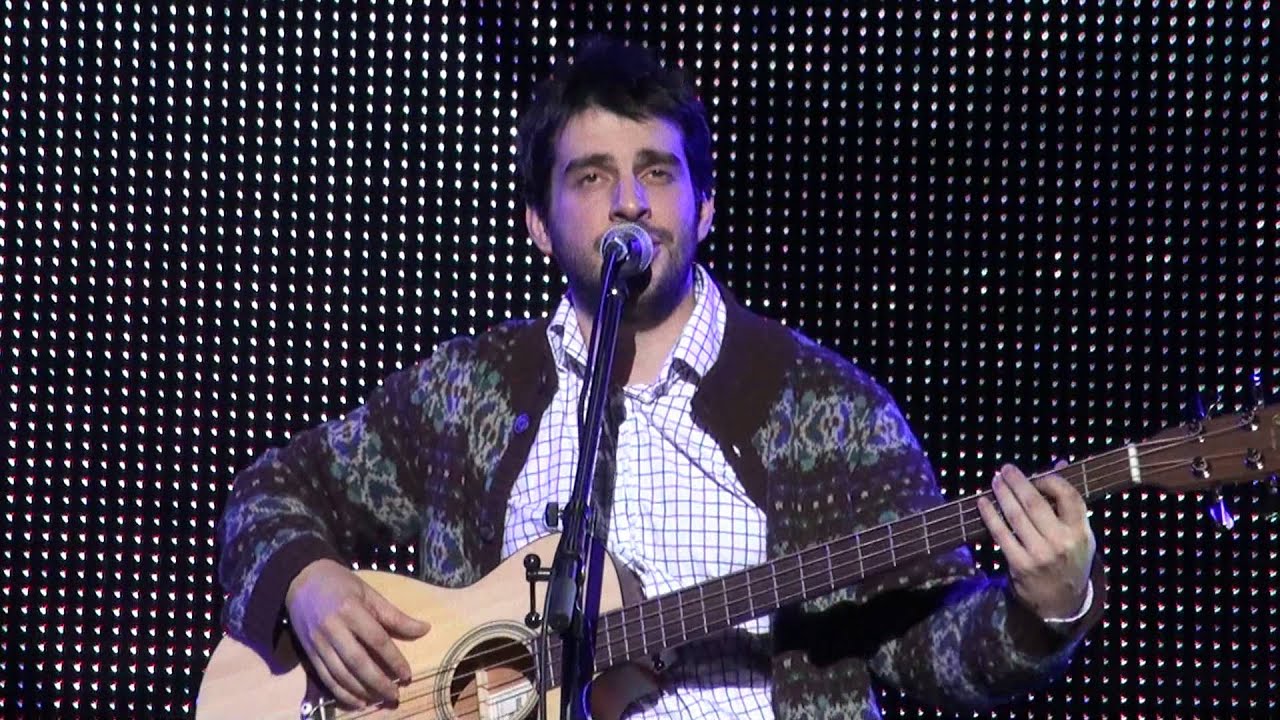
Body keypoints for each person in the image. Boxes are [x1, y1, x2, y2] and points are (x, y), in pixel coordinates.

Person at [216, 36, 1104, 719]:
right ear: (538, 223)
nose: (630, 202)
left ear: (704, 207)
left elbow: (931, 648)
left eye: (656, 172)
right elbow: (271, 492)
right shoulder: (470, 392)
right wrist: (307, 583)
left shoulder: (828, 409)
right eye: (592, 176)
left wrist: (1047, 609)